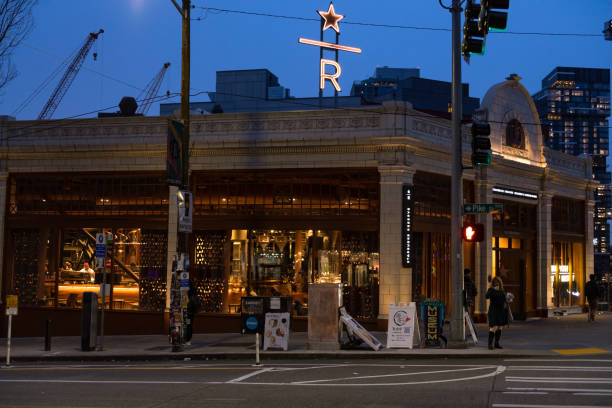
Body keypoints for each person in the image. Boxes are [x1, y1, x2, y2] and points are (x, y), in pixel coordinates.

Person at [486, 276, 508, 350]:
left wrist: (509, 298)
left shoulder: (502, 291)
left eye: (498, 283)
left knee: (500, 327)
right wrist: (493, 290)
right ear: (493, 284)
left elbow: (505, 300)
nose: (496, 285)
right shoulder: (491, 290)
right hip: (493, 311)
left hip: (501, 311)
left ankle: (496, 343)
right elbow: (487, 296)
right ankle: (490, 344)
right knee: (493, 327)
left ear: (500, 283)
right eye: (495, 283)